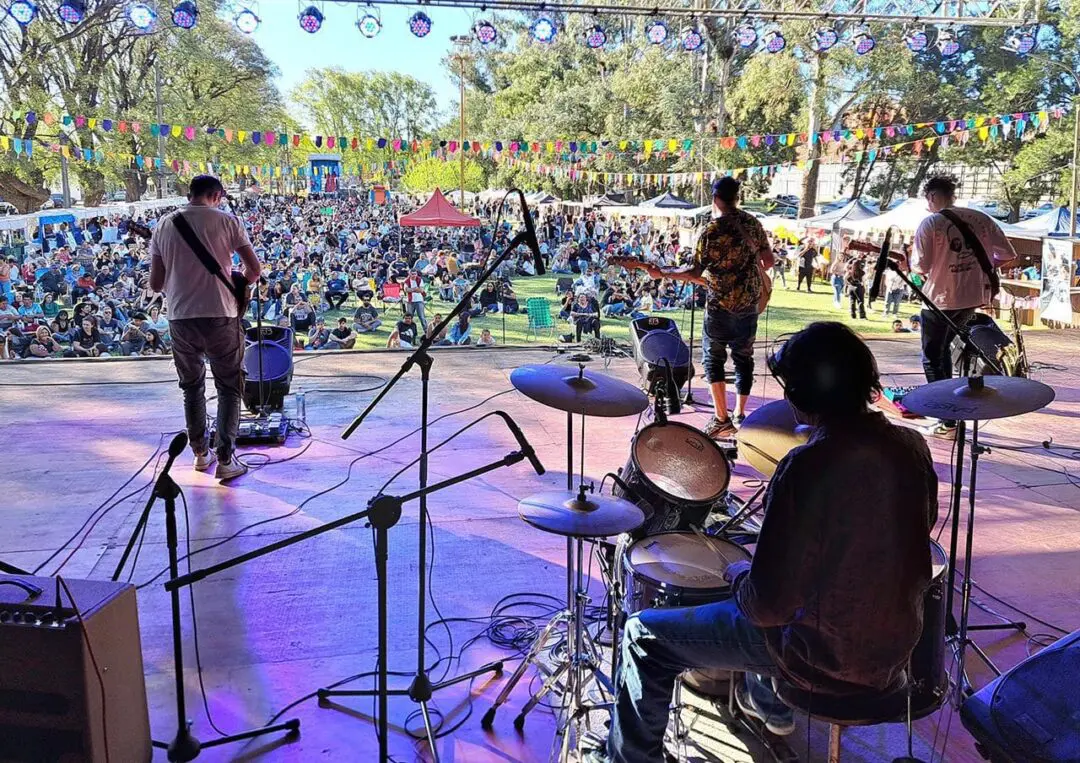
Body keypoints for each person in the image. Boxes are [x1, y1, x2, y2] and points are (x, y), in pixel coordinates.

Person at [600, 322, 939, 763]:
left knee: (644, 634)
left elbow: (767, 607)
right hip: (894, 644)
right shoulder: (911, 445)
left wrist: (738, 572)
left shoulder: (807, 465)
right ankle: (767, 704)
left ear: (802, 394)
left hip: (822, 658)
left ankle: (630, 759)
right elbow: (913, 526)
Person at [149, 174, 260, 480]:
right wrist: (238, 284)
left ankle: (200, 454)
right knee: (228, 387)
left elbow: (156, 283)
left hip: (181, 316)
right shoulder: (227, 221)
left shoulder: (164, 224)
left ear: (189, 194)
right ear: (217, 195)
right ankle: (226, 459)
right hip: (221, 314)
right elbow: (255, 270)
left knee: (192, 387)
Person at [645, 177, 773, 439]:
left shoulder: (711, 231)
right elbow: (768, 261)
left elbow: (694, 271)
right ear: (738, 197)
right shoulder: (753, 224)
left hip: (719, 306)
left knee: (713, 360)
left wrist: (662, 273)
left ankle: (721, 418)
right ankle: (740, 413)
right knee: (743, 359)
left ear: (716, 199)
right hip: (749, 304)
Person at [910, 175, 1017, 437]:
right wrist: (975, 272)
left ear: (932, 196)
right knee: (945, 350)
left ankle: (948, 419)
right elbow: (1007, 255)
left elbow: (921, 267)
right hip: (972, 297)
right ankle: (952, 415)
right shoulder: (981, 218)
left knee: (932, 358)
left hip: (940, 299)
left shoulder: (931, 223)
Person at [845, 255, 867, 320]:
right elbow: (863, 280)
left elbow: (845, 278)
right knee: (860, 301)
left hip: (851, 286)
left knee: (852, 301)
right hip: (858, 286)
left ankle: (853, 315)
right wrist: (864, 288)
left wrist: (848, 284)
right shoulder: (862, 272)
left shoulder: (850, 271)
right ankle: (862, 316)